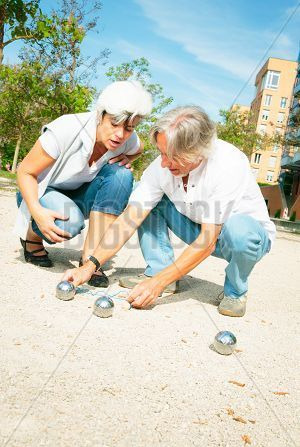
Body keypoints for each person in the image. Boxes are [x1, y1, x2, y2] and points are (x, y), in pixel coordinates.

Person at [62, 106, 276, 317]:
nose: (163, 163)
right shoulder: (161, 165)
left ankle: (236, 292)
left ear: (198, 150)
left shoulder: (227, 164)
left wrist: (156, 285)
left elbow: (207, 241)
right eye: (162, 153)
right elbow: (130, 218)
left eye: (172, 155)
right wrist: (90, 266)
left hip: (241, 238)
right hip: (197, 225)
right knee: (143, 197)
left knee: (241, 232)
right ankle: (160, 270)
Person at [15, 81, 152, 287]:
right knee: (68, 224)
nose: (120, 135)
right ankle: (32, 237)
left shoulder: (127, 139)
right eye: (114, 124)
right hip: (40, 190)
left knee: (122, 175)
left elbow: (138, 148)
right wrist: (37, 212)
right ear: (100, 115)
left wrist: (128, 160)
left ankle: (89, 259)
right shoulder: (66, 127)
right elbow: (25, 171)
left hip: (78, 193)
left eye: (129, 128)